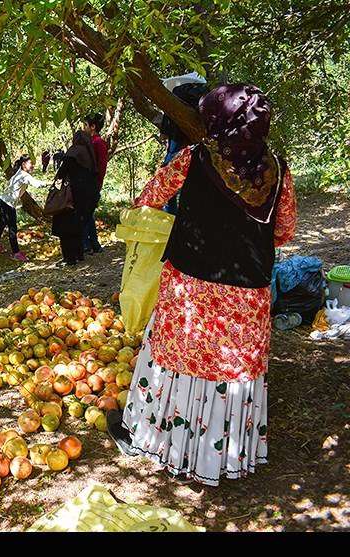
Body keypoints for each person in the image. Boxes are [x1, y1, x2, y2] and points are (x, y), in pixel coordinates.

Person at [107, 84, 298, 486]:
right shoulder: (278, 169)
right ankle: (227, 457)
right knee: (232, 369)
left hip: (190, 288)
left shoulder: (193, 159)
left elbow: (149, 198)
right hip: (248, 293)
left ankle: (161, 442)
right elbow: (284, 231)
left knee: (180, 360)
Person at [159, 82, 209, 214]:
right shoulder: (202, 95)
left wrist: (165, 133)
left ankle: (171, 211)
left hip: (177, 138)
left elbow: (167, 125)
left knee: (169, 172)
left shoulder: (176, 93)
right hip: (192, 141)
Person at [51, 130, 99, 266]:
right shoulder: (89, 154)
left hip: (71, 198)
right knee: (79, 225)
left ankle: (69, 258)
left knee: (66, 228)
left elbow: (61, 173)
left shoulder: (73, 153)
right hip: (86, 198)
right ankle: (79, 254)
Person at [0, 155, 41, 262]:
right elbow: (36, 184)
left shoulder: (19, 173)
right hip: (8, 204)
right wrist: (50, 183)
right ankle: (16, 252)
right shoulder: (24, 175)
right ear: (23, 164)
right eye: (30, 163)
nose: (32, 166)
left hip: (4, 200)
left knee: (2, 223)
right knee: (12, 228)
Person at [83, 113, 108, 254]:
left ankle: (87, 244)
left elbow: (101, 166)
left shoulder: (97, 142)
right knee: (88, 214)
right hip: (90, 184)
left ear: (93, 127)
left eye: (86, 125)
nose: (84, 128)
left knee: (85, 214)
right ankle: (93, 243)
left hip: (92, 184)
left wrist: (97, 184)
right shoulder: (90, 141)